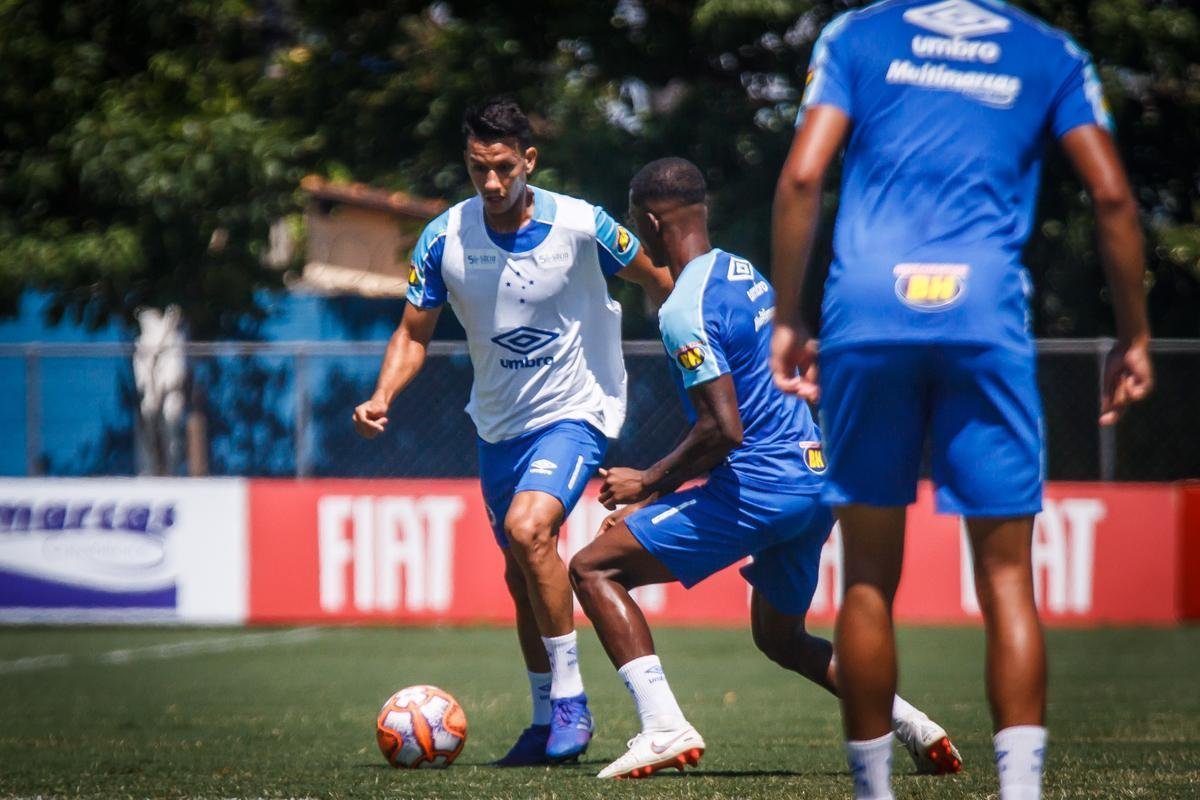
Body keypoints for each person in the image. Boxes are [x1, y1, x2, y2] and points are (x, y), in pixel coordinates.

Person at [770, 3, 1154, 799]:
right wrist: (1134, 334)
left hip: (868, 313)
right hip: (983, 316)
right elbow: (1113, 198)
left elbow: (804, 174)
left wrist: (787, 315)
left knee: (869, 577)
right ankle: (1019, 793)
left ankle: (873, 793)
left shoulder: (857, 34)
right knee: (1008, 579)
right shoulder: (1050, 51)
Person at [570, 157, 961, 781]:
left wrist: (647, 481)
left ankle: (663, 726)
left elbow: (724, 431)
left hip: (761, 488)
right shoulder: (743, 271)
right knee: (780, 639)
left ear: (648, 221)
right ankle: (914, 725)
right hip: (814, 481)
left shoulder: (681, 309)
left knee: (592, 568)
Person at [353, 98, 672, 766]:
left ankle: (571, 705)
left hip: (577, 411)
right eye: (478, 170)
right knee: (522, 575)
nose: (492, 183)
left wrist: (705, 349)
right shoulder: (443, 238)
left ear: (529, 160)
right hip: (498, 427)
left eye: (504, 167)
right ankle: (540, 720)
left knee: (531, 531)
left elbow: (660, 278)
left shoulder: (584, 225)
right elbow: (414, 332)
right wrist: (383, 395)